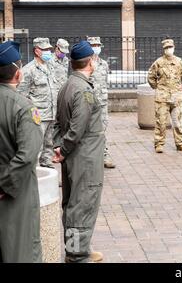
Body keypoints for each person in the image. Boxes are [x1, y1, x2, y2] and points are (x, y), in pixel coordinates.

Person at [52, 40, 105, 263]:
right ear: (90, 62)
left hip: (75, 156)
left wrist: (58, 147)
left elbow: (57, 123)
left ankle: (79, 248)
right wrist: (63, 149)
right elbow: (77, 128)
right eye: (94, 58)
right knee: (82, 204)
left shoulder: (68, 85)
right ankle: (76, 253)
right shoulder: (83, 90)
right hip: (85, 157)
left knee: (74, 203)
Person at [0, 41, 43, 263]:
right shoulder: (24, 107)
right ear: (18, 74)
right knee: (21, 247)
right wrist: (6, 185)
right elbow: (27, 155)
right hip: (14, 191)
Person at [17, 37, 57, 169]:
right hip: (38, 116)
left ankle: (47, 171)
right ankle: (33, 175)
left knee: (49, 145)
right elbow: (21, 96)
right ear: (36, 51)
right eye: (44, 49)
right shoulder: (28, 70)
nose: (48, 52)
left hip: (52, 113)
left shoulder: (50, 67)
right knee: (36, 147)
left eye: (49, 49)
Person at [148, 38, 182, 153]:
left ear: (174, 47)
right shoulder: (158, 62)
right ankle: (159, 144)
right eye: (166, 48)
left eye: (170, 47)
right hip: (162, 97)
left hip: (176, 96)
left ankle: (180, 143)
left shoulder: (179, 61)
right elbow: (151, 77)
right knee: (161, 121)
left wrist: (176, 88)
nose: (169, 50)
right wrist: (158, 88)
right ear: (164, 49)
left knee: (177, 122)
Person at [87, 36, 116, 168]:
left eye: (98, 45)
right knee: (87, 130)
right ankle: (90, 157)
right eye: (93, 45)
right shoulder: (84, 64)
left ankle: (104, 155)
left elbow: (104, 82)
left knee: (102, 130)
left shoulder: (104, 64)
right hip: (88, 103)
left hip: (102, 103)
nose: (96, 48)